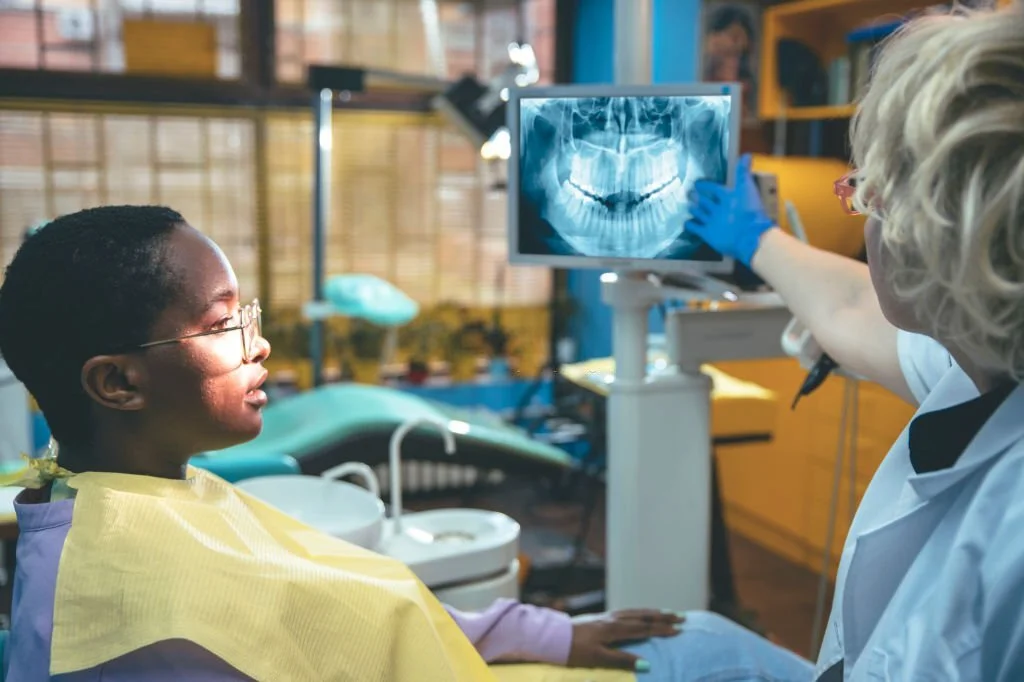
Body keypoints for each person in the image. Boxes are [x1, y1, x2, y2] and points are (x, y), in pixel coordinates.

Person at [0, 205, 707, 682]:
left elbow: (343, 599)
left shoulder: (145, 488)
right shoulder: (126, 628)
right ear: (118, 383)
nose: (261, 342)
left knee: (700, 642)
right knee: (711, 650)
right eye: (223, 326)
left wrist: (553, 634)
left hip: (462, 653)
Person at [682, 3, 1024, 680]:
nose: (862, 216)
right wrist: (755, 238)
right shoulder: (982, 357)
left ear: (934, 234)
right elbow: (850, 302)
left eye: (866, 190)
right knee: (687, 639)